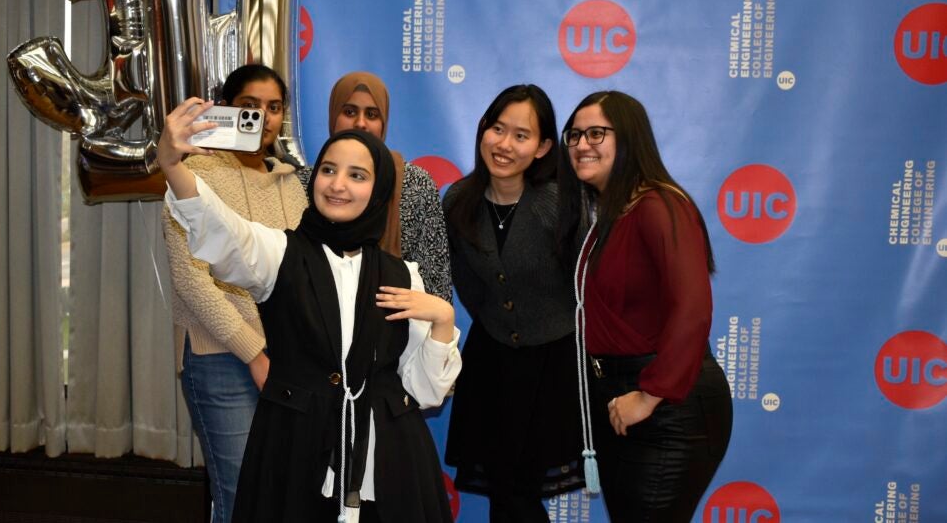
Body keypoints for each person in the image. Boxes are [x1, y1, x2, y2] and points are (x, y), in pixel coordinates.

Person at [159, 108, 462, 522]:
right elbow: (221, 229)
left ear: (379, 191)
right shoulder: (279, 254)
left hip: (390, 460)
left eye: (357, 175)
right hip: (294, 450)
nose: (338, 185)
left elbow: (426, 392)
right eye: (329, 170)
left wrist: (443, 320)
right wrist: (171, 165)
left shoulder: (402, 275)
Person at [557, 90, 733, 522]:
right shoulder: (612, 213)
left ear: (630, 137)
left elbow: (692, 308)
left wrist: (650, 393)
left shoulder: (660, 204)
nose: (582, 145)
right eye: (574, 134)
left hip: (668, 405)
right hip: (623, 398)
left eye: (596, 133)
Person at [161, 64, 307, 523]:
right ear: (226, 110)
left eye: (274, 107)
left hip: (285, 360)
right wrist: (254, 352)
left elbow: (302, 274)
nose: (263, 117)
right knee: (242, 496)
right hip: (221, 357)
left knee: (279, 495)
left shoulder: (292, 183)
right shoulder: (191, 174)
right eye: (249, 106)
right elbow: (191, 280)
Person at [443, 84, 583, 523]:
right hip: (492, 364)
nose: (504, 144)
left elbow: (587, 284)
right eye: (496, 128)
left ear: (543, 147)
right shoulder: (458, 200)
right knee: (504, 495)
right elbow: (466, 284)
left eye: (520, 135)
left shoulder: (560, 204)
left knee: (520, 494)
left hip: (554, 366)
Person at [297, 71, 452, 302]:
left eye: (371, 114)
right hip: (315, 314)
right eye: (349, 112)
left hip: (398, 321)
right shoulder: (306, 182)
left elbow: (434, 277)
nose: (360, 123)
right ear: (333, 116)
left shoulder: (415, 183)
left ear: (384, 122)